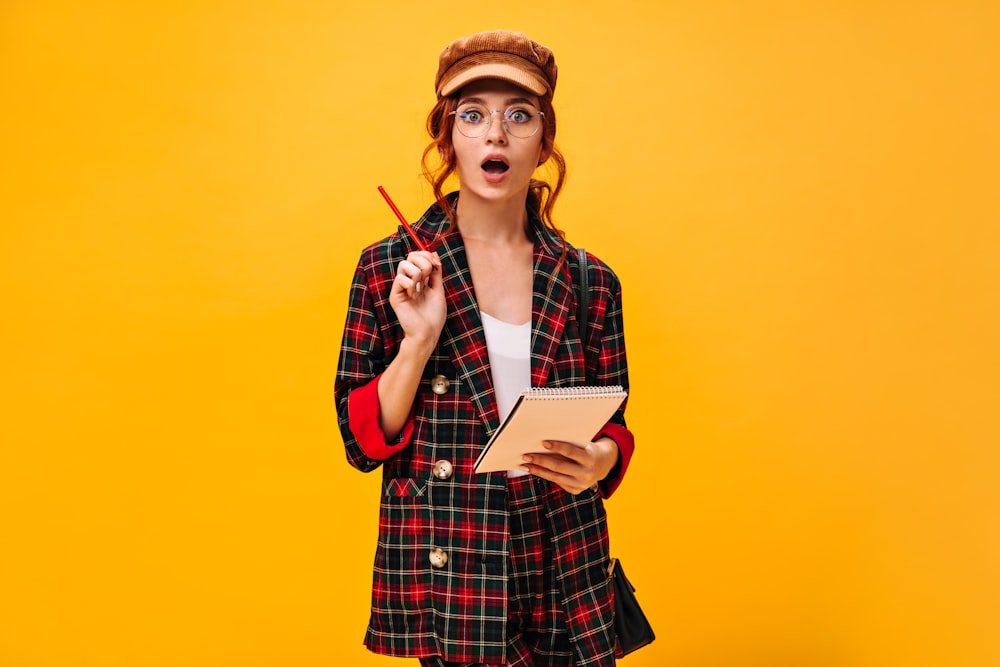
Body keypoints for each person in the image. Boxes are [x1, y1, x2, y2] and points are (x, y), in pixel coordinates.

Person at [335, 30, 635, 667]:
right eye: (472, 116)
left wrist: (602, 458)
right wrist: (418, 340)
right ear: (448, 140)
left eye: (518, 116)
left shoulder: (588, 279)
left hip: (563, 555)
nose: (495, 134)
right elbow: (362, 442)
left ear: (543, 143)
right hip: (456, 556)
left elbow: (614, 424)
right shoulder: (392, 266)